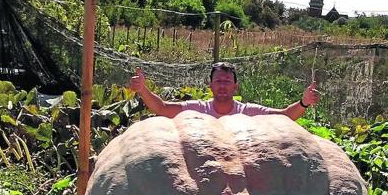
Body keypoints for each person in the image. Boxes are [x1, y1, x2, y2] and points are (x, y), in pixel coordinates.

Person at [129, 62, 320, 120]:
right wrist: (143, 90)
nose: (222, 85)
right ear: (210, 85)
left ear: (235, 86)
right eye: (218, 81)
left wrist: (304, 102)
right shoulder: (197, 109)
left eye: (227, 81)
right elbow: (162, 108)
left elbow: (284, 115)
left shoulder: (246, 112)